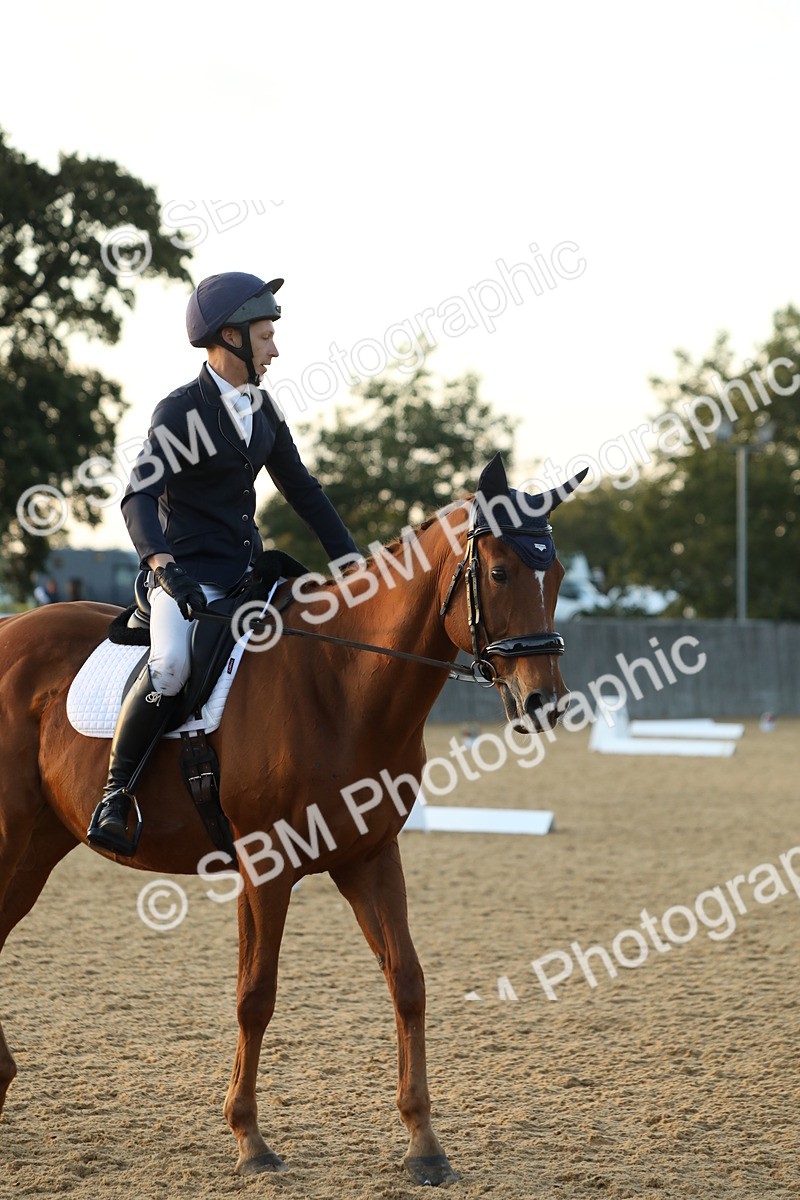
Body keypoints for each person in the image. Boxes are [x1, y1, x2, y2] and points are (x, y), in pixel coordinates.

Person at [87, 272, 360, 855]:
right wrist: (162, 564)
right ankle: (116, 793)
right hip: (184, 579)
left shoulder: (261, 408)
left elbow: (304, 491)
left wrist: (354, 564)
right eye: (265, 336)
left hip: (248, 575)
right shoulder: (181, 412)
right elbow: (137, 496)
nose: (276, 349)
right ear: (230, 338)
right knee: (170, 671)